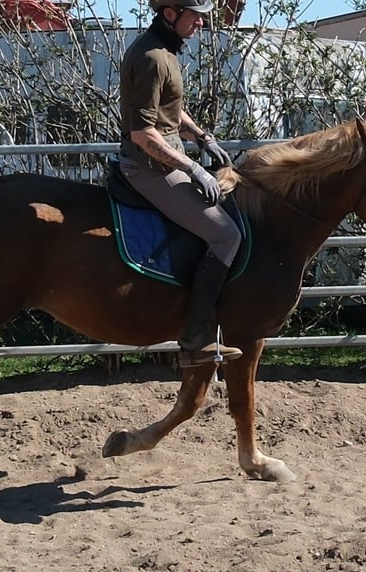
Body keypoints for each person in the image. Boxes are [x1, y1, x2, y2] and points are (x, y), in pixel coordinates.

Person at [119, 0, 243, 367]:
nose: (201, 23)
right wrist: (194, 169)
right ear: (170, 13)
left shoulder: (164, 52)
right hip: (150, 168)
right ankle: (196, 337)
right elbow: (143, 134)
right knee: (226, 235)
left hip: (165, 160)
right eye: (196, 15)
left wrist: (203, 137)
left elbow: (169, 110)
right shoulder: (152, 58)